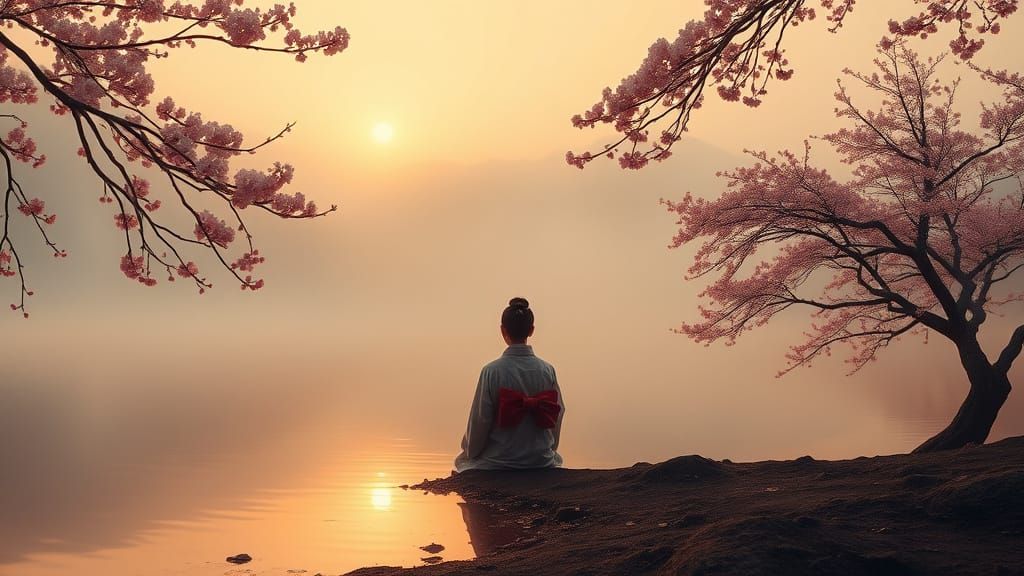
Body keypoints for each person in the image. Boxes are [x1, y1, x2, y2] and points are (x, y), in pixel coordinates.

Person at [454, 297, 564, 472]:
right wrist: (550, 448)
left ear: (502, 330)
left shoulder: (491, 371)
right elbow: (558, 412)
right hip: (539, 460)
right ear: (531, 330)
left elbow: (480, 420)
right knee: (556, 457)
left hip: (499, 461)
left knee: (462, 461)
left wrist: (471, 450)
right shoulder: (547, 370)